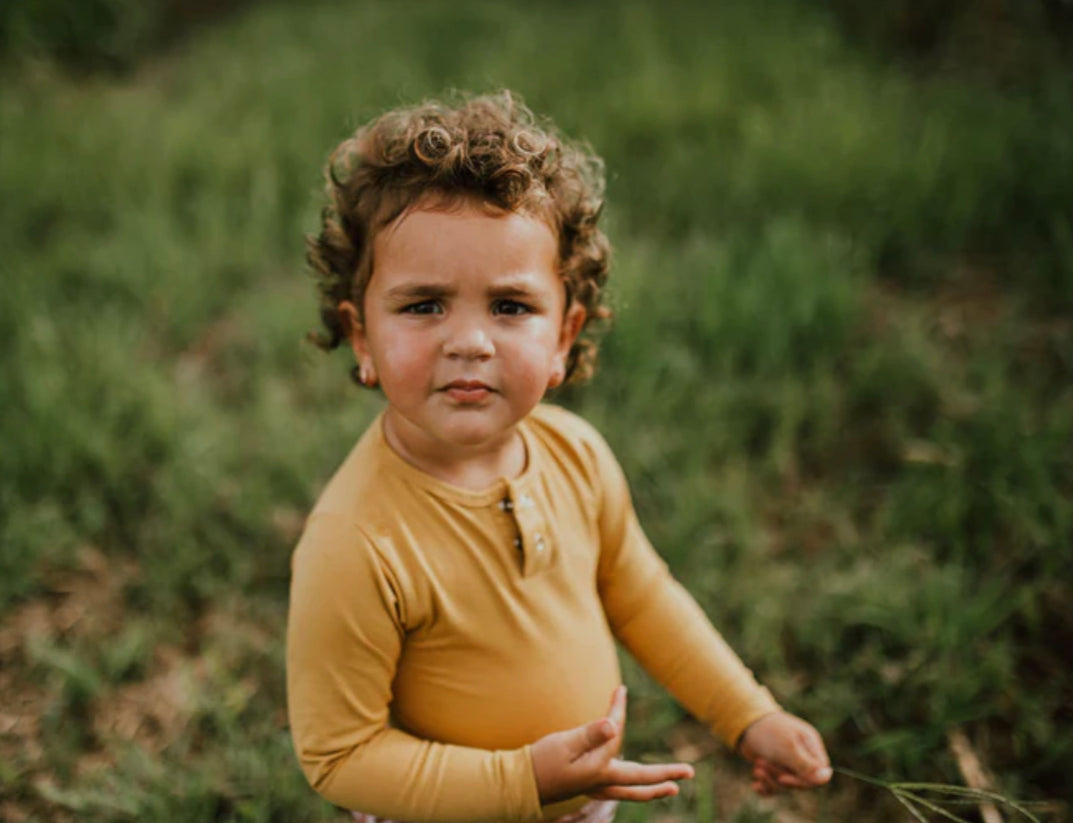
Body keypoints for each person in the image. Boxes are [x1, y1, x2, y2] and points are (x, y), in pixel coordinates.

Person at [287, 91, 832, 823]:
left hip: (576, 807)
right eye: (423, 305)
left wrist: (746, 713)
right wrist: (520, 779)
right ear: (361, 336)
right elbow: (339, 755)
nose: (470, 342)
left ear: (565, 335)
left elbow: (642, 597)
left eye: (509, 306)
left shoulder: (576, 454)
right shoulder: (356, 541)